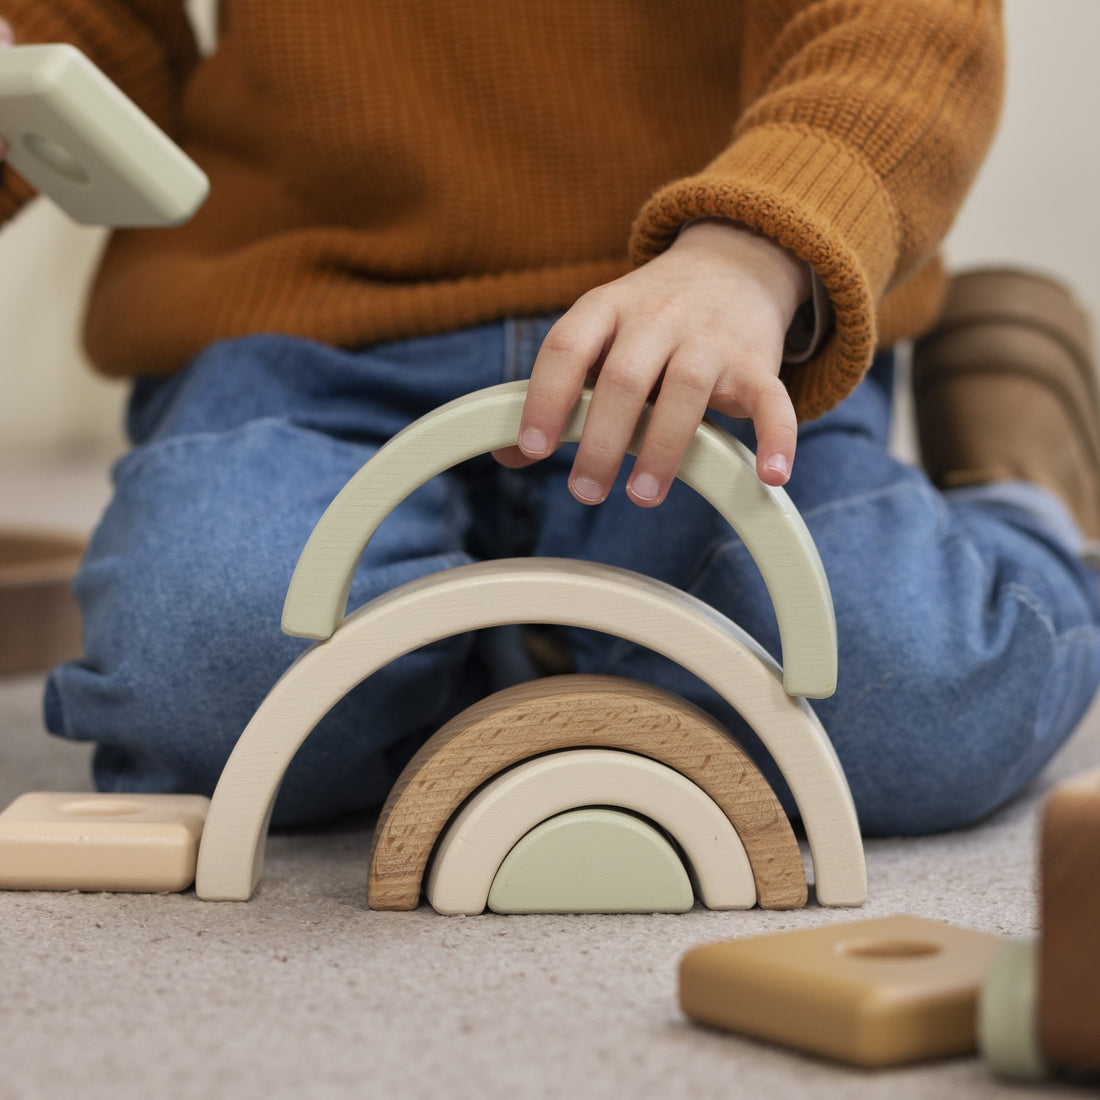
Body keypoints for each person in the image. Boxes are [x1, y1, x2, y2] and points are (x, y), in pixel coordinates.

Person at [4, 1, 1097, 836]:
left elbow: (906, 26)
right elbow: (81, 30)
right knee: (210, 695)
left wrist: (748, 252)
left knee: (910, 695)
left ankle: (1022, 484)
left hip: (712, 322)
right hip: (308, 328)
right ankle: (523, 634)